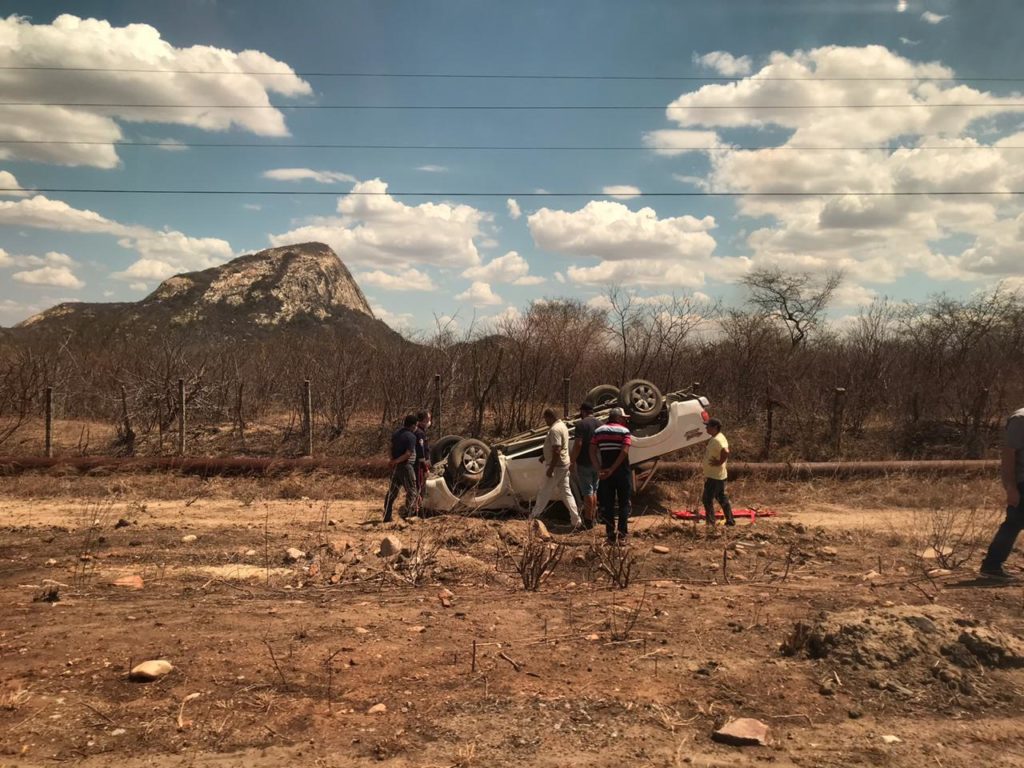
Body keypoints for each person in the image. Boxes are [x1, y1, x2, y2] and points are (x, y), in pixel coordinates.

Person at [979, 407, 1024, 580]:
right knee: (1014, 523)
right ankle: (992, 566)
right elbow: (1008, 455)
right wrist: (1011, 487)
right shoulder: (1020, 419)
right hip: (1022, 482)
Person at [529, 407, 583, 529]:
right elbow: (558, 447)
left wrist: (551, 468)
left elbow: (557, 450)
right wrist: (545, 456)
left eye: (546, 419)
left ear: (550, 417)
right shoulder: (562, 426)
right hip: (563, 464)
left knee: (544, 492)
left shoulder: (555, 429)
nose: (545, 422)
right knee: (566, 493)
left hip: (557, 466)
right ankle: (576, 521)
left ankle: (533, 517)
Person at [590, 407, 633, 545]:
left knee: (607, 504)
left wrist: (599, 469)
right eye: (624, 418)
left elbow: (592, 450)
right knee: (623, 503)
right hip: (622, 471)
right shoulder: (625, 431)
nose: (625, 420)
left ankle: (610, 535)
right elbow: (624, 451)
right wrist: (613, 468)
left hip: (605, 473)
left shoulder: (598, 431)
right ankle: (622, 535)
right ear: (619, 418)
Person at [571, 402, 601, 528]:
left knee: (587, 491)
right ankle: (593, 517)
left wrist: (572, 460)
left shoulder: (581, 424)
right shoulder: (600, 424)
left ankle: (588, 520)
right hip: (597, 462)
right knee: (594, 490)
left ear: (583, 412)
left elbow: (578, 444)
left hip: (584, 461)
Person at [383, 414, 418, 523]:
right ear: (413, 425)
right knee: (412, 490)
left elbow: (389, 447)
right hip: (406, 466)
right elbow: (408, 454)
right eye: (416, 425)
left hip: (396, 467)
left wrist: (392, 460)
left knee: (392, 492)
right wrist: (397, 461)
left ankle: (387, 515)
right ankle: (408, 515)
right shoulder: (411, 436)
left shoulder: (396, 434)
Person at [702, 418, 735, 528]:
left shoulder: (718, 440)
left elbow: (726, 451)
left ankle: (711, 524)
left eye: (708, 426)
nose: (706, 428)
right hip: (718, 475)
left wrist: (719, 462)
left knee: (707, 499)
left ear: (715, 427)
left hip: (714, 476)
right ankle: (730, 521)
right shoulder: (717, 437)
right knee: (721, 497)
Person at [413, 409, 432, 514]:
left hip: (420, 464)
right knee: (419, 487)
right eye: (428, 419)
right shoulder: (419, 433)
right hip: (419, 465)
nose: (429, 422)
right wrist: (425, 468)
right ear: (424, 420)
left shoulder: (421, 431)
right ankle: (416, 510)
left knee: (419, 487)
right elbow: (421, 453)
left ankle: (417, 508)